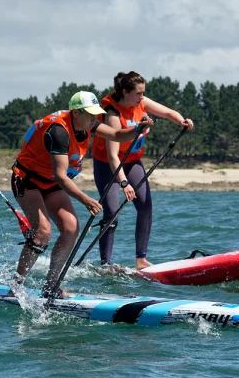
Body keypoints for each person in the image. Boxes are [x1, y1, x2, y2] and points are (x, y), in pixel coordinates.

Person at [11, 91, 152, 298]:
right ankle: (16, 284)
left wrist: (138, 129)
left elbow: (116, 134)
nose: (95, 118)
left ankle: (51, 287)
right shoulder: (59, 131)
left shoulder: (87, 123)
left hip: (49, 182)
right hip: (27, 180)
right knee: (42, 231)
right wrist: (85, 199)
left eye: (96, 113)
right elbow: (61, 176)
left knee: (71, 228)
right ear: (76, 113)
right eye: (90, 113)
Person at [92, 71, 194, 269]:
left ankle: (140, 259)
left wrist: (182, 120)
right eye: (138, 93)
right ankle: (105, 265)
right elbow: (113, 157)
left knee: (145, 205)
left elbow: (166, 112)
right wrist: (124, 183)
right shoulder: (112, 115)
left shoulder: (141, 103)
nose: (142, 97)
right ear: (125, 92)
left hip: (132, 161)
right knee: (112, 212)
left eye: (143, 93)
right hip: (108, 165)